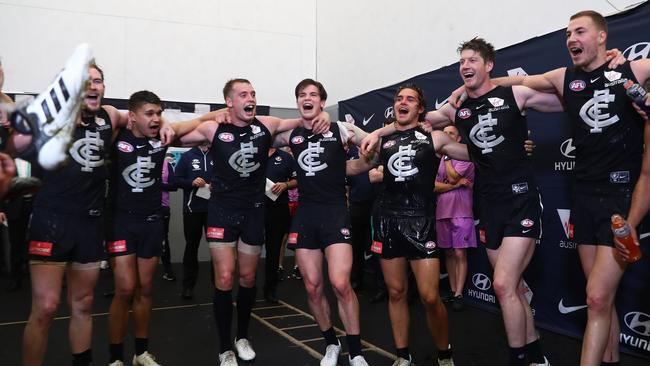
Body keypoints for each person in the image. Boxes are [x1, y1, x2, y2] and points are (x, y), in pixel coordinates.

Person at [444, 13, 650, 366]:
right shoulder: (564, 77)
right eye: (568, 33)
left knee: (597, 299)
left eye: (580, 31)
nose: (571, 38)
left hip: (620, 198)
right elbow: (524, 80)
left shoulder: (635, 70)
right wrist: (469, 87)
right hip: (582, 196)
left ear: (602, 37)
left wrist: (631, 74)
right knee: (603, 298)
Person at [362, 39, 564, 366]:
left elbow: (565, 96)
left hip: (520, 197)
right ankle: (536, 355)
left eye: (472, 60)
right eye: (462, 62)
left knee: (502, 284)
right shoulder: (458, 109)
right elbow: (414, 120)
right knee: (514, 286)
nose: (466, 66)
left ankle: (521, 358)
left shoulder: (515, 94)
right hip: (487, 202)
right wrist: (377, 133)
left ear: (488, 65)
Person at [178, 78, 330, 366]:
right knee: (224, 277)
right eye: (243, 94)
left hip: (254, 211)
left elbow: (303, 121)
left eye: (253, 93)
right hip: (222, 209)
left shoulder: (267, 125)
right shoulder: (214, 127)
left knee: (248, 278)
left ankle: (242, 336)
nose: (251, 98)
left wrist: (321, 113)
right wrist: (208, 115)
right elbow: (173, 135)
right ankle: (225, 348)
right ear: (230, 101)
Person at [351, 84, 481, 366]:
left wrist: (512, 147)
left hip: (421, 221)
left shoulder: (433, 138)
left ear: (421, 108)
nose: (403, 102)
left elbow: (475, 154)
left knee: (430, 296)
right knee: (396, 292)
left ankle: (444, 355)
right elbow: (356, 167)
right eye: (399, 99)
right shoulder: (381, 141)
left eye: (410, 99)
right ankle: (402, 356)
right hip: (387, 220)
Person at [271, 79, 372, 366]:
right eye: (302, 95)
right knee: (313, 286)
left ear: (322, 101)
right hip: (305, 215)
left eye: (313, 95)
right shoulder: (291, 134)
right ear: (297, 102)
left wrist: (367, 156)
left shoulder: (340, 128)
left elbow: (371, 144)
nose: (307, 98)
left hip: (335, 212)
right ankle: (331, 344)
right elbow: (259, 131)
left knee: (340, 283)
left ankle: (356, 351)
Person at [433, 125, 476, 312]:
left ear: (457, 139)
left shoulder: (466, 155)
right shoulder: (438, 158)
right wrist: (455, 184)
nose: (446, 136)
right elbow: (433, 186)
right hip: (442, 210)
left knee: (460, 253)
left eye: (450, 134)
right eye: (444, 133)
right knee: (449, 253)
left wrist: (449, 160)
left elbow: (452, 177)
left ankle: (459, 293)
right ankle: (452, 290)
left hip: (462, 210)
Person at [174, 142, 213, 299]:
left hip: (215, 211)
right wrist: (191, 182)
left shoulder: (218, 154)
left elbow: (229, 178)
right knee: (191, 247)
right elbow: (176, 179)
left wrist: (217, 185)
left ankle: (220, 285)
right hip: (192, 210)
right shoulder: (187, 156)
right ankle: (188, 286)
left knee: (218, 249)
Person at [263, 146, 297, 303]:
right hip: (253, 208)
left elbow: (298, 180)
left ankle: (270, 289)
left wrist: (285, 185)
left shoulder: (286, 157)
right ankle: (247, 288)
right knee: (249, 249)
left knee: (274, 249)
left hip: (278, 208)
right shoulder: (251, 153)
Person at [160, 153, 177, 281]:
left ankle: (168, 271)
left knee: (163, 239)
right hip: (142, 208)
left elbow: (174, 186)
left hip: (162, 207)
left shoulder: (167, 164)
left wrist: (155, 184)